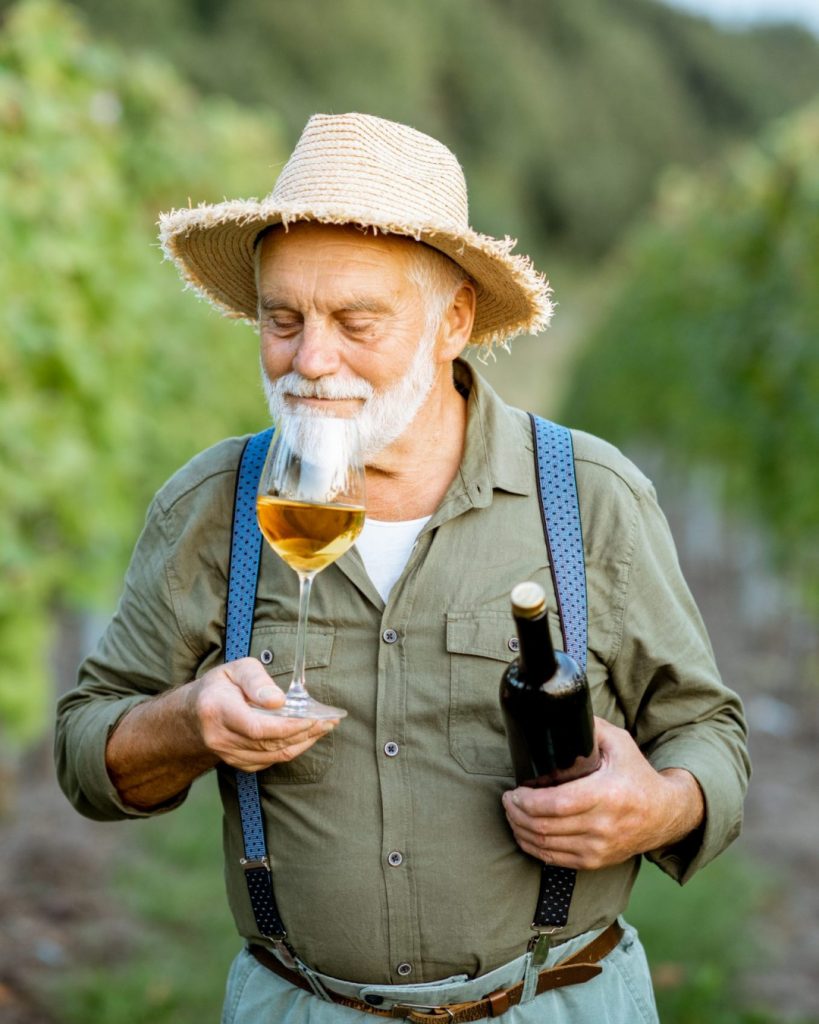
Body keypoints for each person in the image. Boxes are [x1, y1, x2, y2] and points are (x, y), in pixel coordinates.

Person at [55, 112, 750, 1024]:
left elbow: (706, 729)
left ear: (451, 320)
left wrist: (659, 805)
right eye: (282, 318)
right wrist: (186, 724)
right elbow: (84, 749)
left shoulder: (588, 495)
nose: (310, 361)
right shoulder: (214, 503)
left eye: (356, 322)